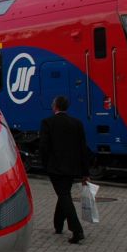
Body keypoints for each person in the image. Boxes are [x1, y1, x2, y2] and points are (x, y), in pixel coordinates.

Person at [39, 95, 90, 244]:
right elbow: (83, 149)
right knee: (64, 194)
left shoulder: (47, 123)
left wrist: (45, 165)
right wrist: (85, 172)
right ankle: (58, 225)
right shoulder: (77, 123)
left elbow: (44, 147)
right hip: (73, 168)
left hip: (55, 168)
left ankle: (77, 230)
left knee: (64, 196)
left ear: (55, 107)